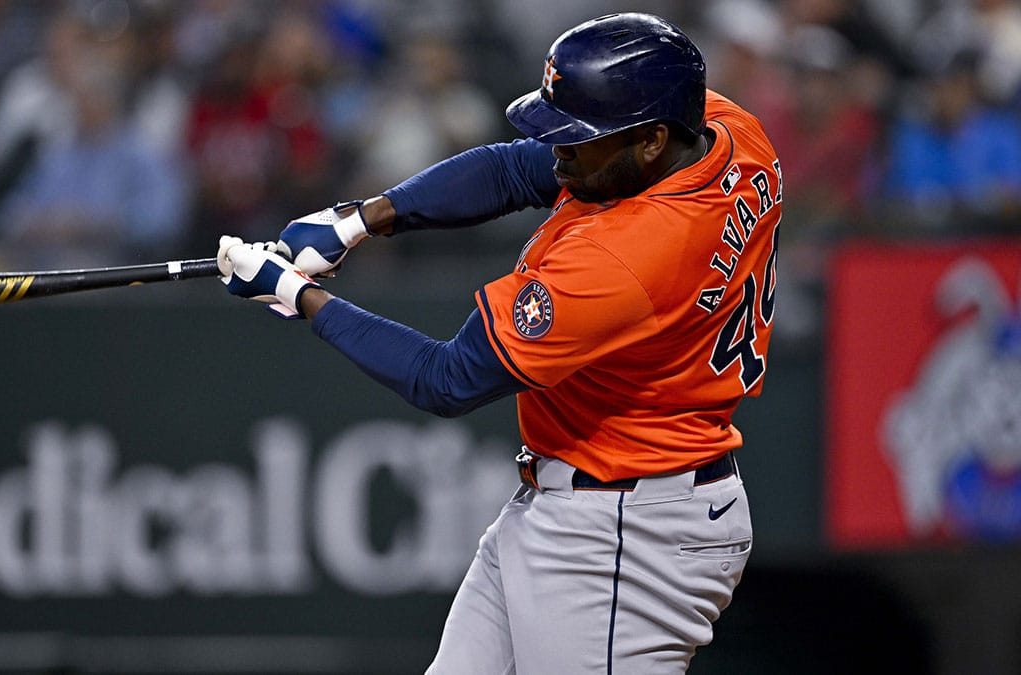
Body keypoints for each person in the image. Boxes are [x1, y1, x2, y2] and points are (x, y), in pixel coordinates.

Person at [217, 13, 782, 674]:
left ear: (653, 139)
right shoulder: (726, 132)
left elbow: (446, 377)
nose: (560, 152)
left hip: (626, 531)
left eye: (579, 139)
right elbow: (519, 170)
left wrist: (295, 295)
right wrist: (360, 219)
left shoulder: (627, 260)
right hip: (597, 497)